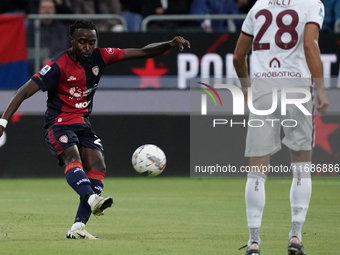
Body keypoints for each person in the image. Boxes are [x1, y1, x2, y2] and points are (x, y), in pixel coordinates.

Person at [0, 19, 190, 239]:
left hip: (82, 124)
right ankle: (92, 200)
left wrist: (169, 43)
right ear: (72, 41)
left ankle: (78, 227)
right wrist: (3, 122)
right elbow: (22, 92)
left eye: (92, 42)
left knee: (98, 165)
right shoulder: (57, 66)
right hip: (58, 124)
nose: (87, 47)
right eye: (82, 42)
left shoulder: (101, 56)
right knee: (73, 156)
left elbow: (142, 52)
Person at [233, 0, 328, 254]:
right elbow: (310, 44)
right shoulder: (312, 4)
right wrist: (320, 88)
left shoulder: (259, 6)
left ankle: (254, 241)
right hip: (296, 86)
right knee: (301, 167)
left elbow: (238, 56)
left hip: (264, 87)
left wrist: (245, 86)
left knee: (257, 170)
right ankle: (295, 236)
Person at [26, 0, 69, 76]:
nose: (47, 10)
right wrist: (42, 61)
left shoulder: (61, 28)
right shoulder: (31, 28)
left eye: (50, 8)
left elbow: (64, 48)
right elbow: (29, 49)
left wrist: (52, 61)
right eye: (44, 8)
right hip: (35, 66)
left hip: (56, 66)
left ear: (54, 11)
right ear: (39, 10)